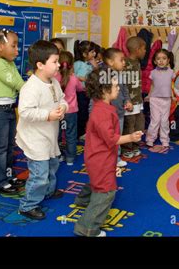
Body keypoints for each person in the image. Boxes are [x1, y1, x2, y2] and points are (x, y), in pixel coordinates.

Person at [73, 69, 142, 237]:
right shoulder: (102, 112)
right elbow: (111, 139)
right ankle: (87, 228)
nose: (118, 88)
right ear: (104, 90)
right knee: (106, 191)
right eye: (116, 86)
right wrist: (131, 137)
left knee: (97, 180)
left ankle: (82, 200)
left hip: (99, 156)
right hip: (100, 158)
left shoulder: (103, 106)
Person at [16, 41, 68, 220]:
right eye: (54, 61)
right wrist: (47, 115)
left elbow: (62, 99)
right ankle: (28, 205)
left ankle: (48, 191)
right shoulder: (30, 87)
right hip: (35, 138)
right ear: (40, 65)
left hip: (49, 136)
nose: (58, 65)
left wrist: (63, 107)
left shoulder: (53, 81)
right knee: (39, 174)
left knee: (53, 165)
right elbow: (24, 111)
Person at [0, 28, 25, 194]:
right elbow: (17, 83)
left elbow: (18, 80)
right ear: (0, 46)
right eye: (14, 46)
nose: (17, 50)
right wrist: (35, 90)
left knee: (9, 146)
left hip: (8, 109)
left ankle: (8, 175)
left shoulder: (9, 62)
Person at [102, 48, 133, 167]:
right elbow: (96, 97)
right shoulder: (103, 77)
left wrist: (128, 100)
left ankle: (116, 158)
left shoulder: (121, 75)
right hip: (106, 115)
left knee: (117, 137)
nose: (124, 62)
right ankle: (105, 158)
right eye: (121, 60)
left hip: (119, 113)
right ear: (110, 62)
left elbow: (125, 89)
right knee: (106, 137)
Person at [55, 51, 83, 166]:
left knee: (57, 134)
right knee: (71, 134)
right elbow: (81, 89)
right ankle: (70, 158)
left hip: (58, 111)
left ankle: (58, 156)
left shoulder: (54, 78)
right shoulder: (73, 78)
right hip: (71, 112)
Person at [145, 49, 175, 153]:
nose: (161, 61)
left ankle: (165, 140)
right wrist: (149, 95)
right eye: (158, 59)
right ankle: (150, 139)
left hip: (166, 100)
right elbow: (152, 85)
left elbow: (171, 85)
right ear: (155, 61)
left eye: (164, 58)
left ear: (168, 60)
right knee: (155, 120)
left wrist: (173, 95)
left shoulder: (171, 72)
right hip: (155, 99)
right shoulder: (153, 73)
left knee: (164, 121)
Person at [122, 37, 146, 159]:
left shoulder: (137, 62)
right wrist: (126, 100)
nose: (145, 51)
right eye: (143, 49)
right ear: (137, 50)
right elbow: (123, 84)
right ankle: (127, 148)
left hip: (138, 101)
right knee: (129, 126)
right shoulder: (125, 63)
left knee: (139, 125)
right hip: (129, 102)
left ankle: (135, 145)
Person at [74, 40, 97, 139]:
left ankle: (85, 131)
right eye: (92, 52)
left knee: (88, 111)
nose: (94, 54)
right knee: (82, 112)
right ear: (84, 54)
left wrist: (94, 64)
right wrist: (83, 78)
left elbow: (96, 72)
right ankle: (80, 133)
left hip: (88, 91)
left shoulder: (89, 63)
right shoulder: (78, 63)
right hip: (80, 92)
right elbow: (74, 75)